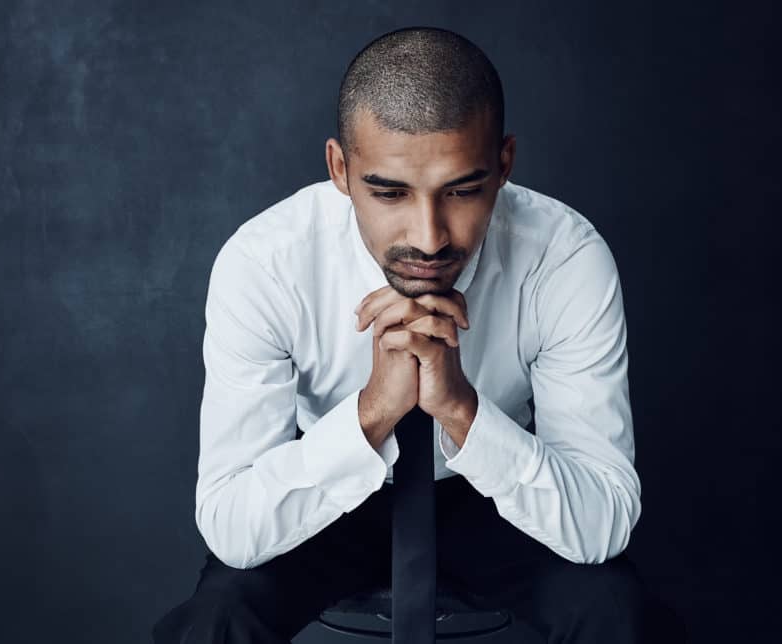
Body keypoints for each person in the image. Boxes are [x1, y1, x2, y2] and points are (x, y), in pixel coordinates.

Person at [154, 26, 674, 643]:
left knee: (617, 613)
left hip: (488, 492)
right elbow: (232, 528)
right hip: (331, 489)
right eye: (390, 192)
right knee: (217, 620)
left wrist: (460, 408)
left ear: (503, 164)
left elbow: (603, 526)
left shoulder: (563, 259)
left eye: (462, 190)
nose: (429, 238)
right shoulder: (266, 263)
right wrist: (374, 411)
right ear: (341, 169)